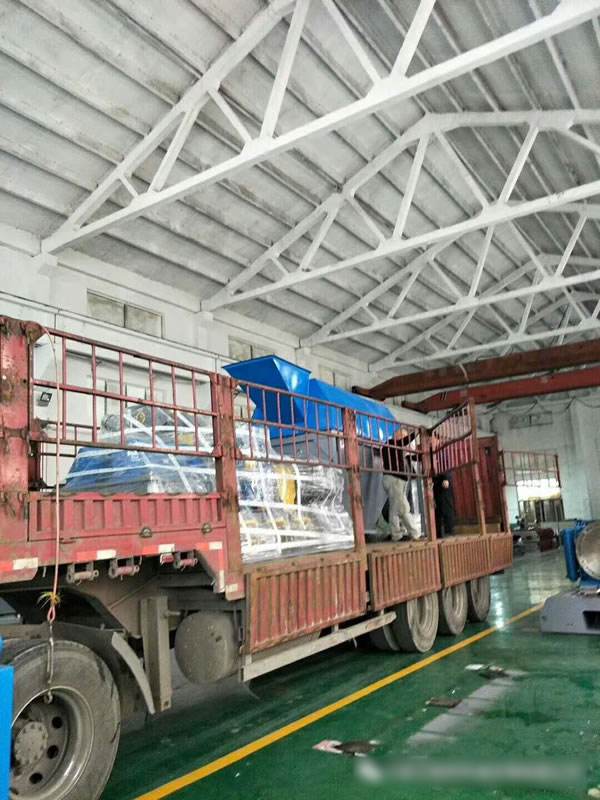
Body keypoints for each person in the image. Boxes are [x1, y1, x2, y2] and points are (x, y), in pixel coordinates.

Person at [380, 428, 421, 541]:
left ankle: (412, 534)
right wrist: (416, 433)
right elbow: (404, 442)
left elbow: (415, 457)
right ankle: (398, 535)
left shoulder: (396, 449)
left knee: (402, 509)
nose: (404, 438)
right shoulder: (390, 443)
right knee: (397, 509)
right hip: (395, 479)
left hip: (397, 480)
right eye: (402, 435)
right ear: (397, 435)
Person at [433, 472, 455, 537]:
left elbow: (447, 467)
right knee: (437, 509)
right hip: (435, 481)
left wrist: (446, 478)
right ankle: (438, 533)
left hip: (442, 479)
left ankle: (449, 532)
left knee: (446, 507)